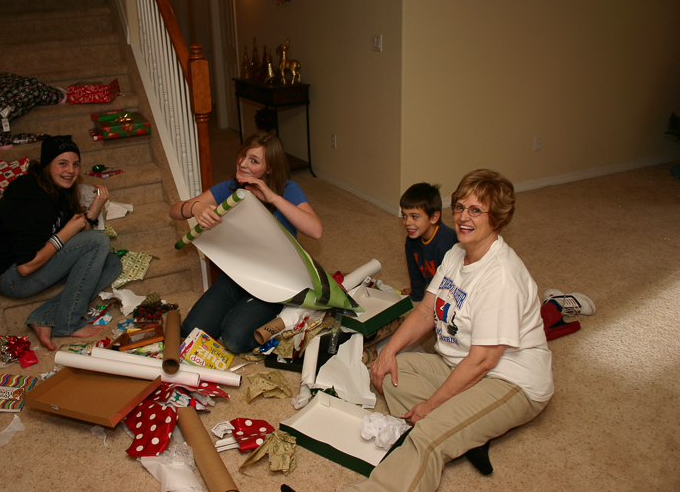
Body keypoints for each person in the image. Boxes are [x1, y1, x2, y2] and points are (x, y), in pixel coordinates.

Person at [344, 169, 554, 492]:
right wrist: (388, 351)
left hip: (510, 379)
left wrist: (431, 407)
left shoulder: (501, 279)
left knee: (427, 436)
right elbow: (427, 309)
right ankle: (468, 432)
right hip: (457, 362)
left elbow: (483, 361)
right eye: (459, 207)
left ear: (495, 219)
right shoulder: (457, 253)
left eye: (475, 210)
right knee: (386, 372)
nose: (463, 218)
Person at [169, 131, 322, 353]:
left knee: (234, 340)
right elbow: (174, 211)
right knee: (192, 331)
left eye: (254, 161)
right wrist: (195, 207)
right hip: (237, 274)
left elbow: (316, 230)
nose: (243, 164)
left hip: (276, 280)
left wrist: (273, 198)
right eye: (243, 156)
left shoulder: (287, 189)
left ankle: (282, 315)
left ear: (269, 168)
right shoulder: (229, 188)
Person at [0, 135, 122, 351]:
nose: (71, 171)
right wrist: (65, 233)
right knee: (98, 241)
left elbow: (75, 235)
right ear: (47, 165)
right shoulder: (31, 198)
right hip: (11, 277)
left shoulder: (59, 190)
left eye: (75, 164)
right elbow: (26, 266)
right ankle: (68, 323)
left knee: (111, 263)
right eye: (62, 163)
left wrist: (94, 209)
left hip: (39, 260)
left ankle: (43, 316)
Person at [399, 183, 458, 302]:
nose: (407, 222)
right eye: (404, 215)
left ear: (434, 217)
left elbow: (455, 283)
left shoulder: (448, 244)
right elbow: (414, 270)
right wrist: (416, 294)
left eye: (414, 217)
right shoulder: (411, 240)